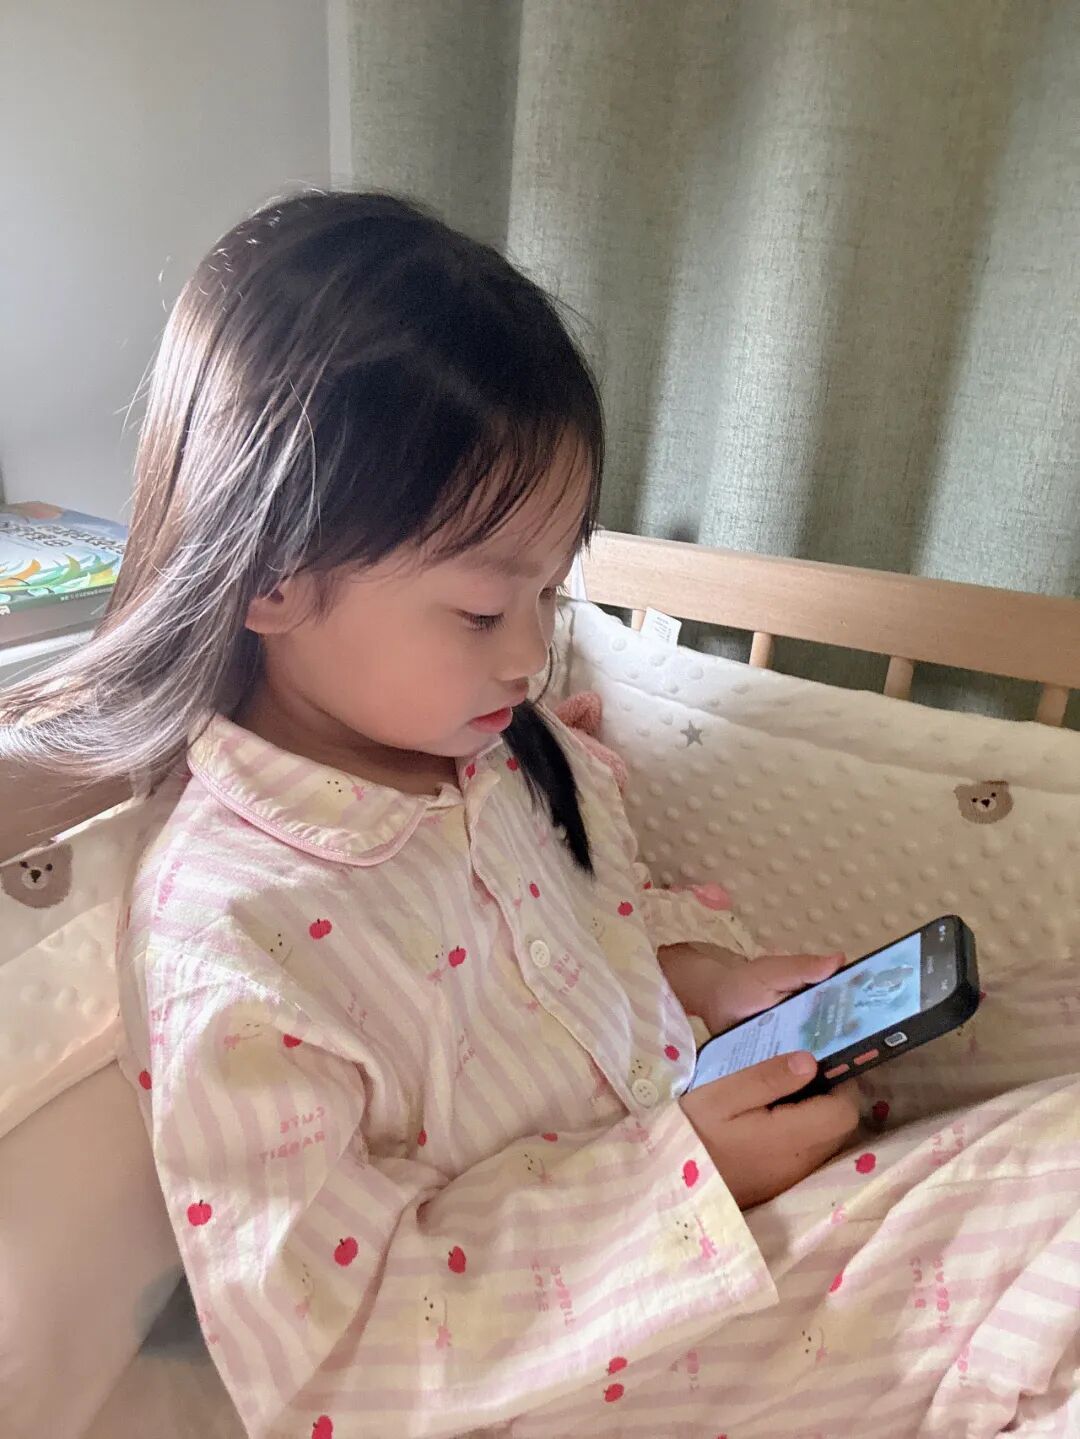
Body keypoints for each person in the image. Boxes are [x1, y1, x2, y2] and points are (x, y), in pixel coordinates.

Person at [3, 192, 1077, 1439]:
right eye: (480, 609)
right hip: (597, 1348)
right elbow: (330, 1356)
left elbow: (583, 939)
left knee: (1038, 1020)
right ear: (271, 578)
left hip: (711, 1163)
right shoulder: (231, 935)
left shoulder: (496, 756)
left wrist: (704, 977)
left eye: (552, 594)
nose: (529, 652)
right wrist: (685, 1180)